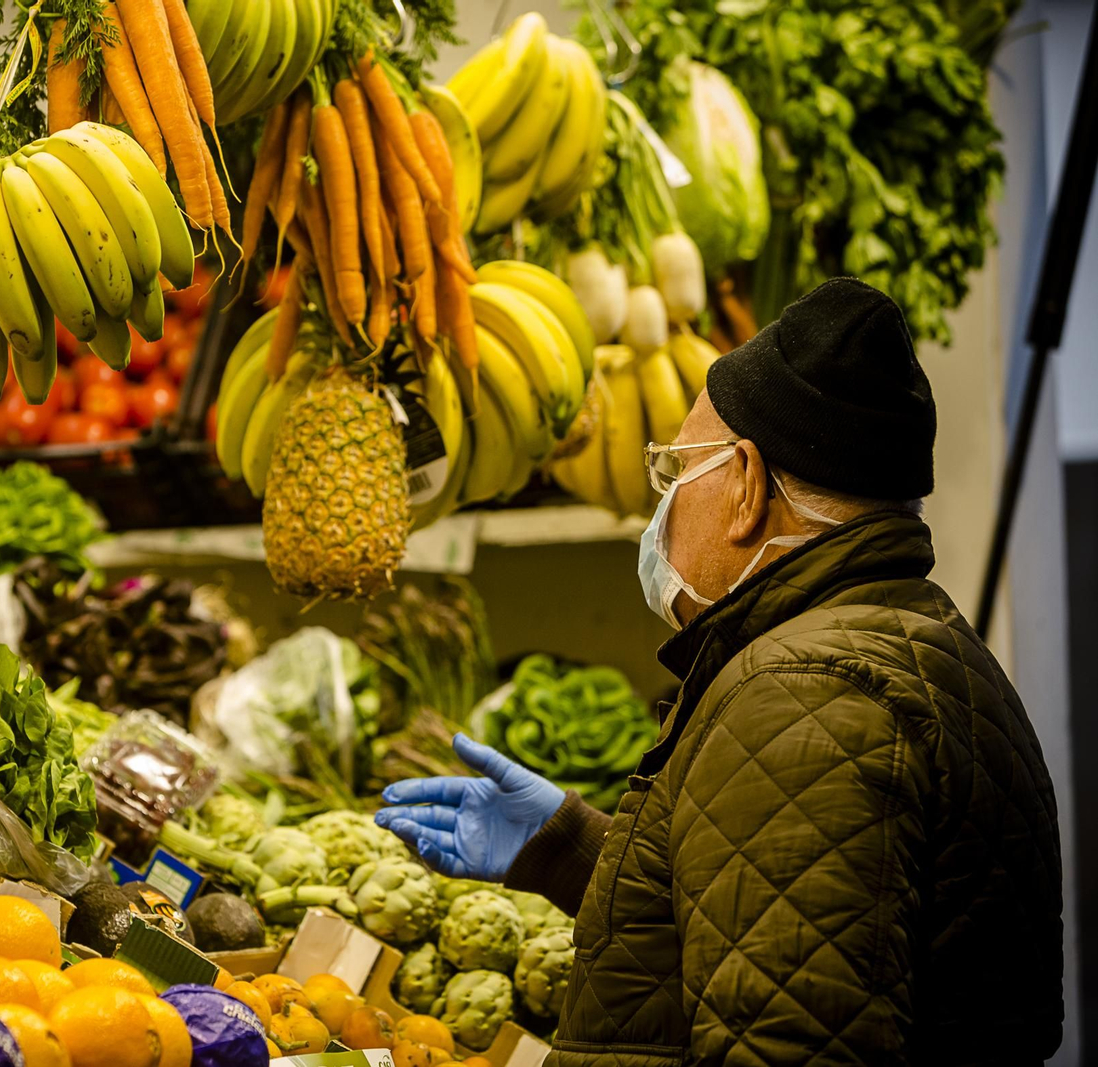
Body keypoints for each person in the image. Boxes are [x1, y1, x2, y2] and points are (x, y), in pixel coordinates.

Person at [377, 279, 1064, 1065]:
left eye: (675, 469)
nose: (663, 500)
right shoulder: (916, 641)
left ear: (742, 484)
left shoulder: (803, 693)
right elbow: (789, 923)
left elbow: (790, 1039)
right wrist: (570, 846)